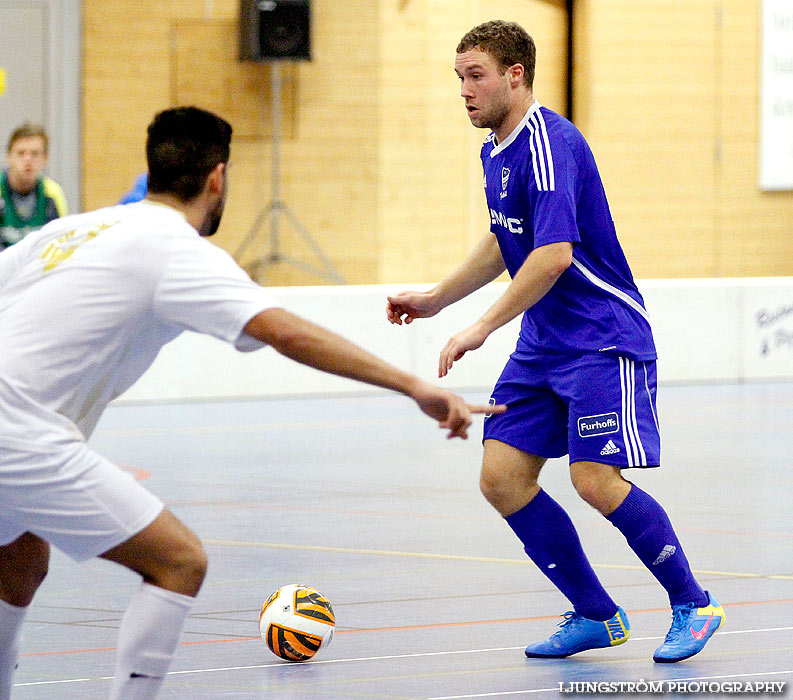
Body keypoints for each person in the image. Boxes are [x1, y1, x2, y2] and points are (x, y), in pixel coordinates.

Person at [0, 106, 502, 700]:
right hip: (20, 431)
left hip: (18, 431)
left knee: (21, 559)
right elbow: (286, 332)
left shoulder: (71, 231)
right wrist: (415, 385)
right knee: (178, 562)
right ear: (218, 178)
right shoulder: (173, 248)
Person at [386, 20, 724, 663]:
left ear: (516, 74)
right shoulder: (495, 151)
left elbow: (552, 256)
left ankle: (693, 602)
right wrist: (435, 299)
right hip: (545, 343)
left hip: (601, 337)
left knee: (595, 478)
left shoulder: (548, 142)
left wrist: (479, 328)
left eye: (476, 75)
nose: (464, 90)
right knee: (502, 477)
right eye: (459, 77)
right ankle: (596, 613)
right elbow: (503, 240)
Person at [1, 123, 67, 248]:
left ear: (45, 158)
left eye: (35, 154)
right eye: (21, 153)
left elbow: (59, 243)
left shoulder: (53, 193)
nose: (28, 160)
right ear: (9, 157)